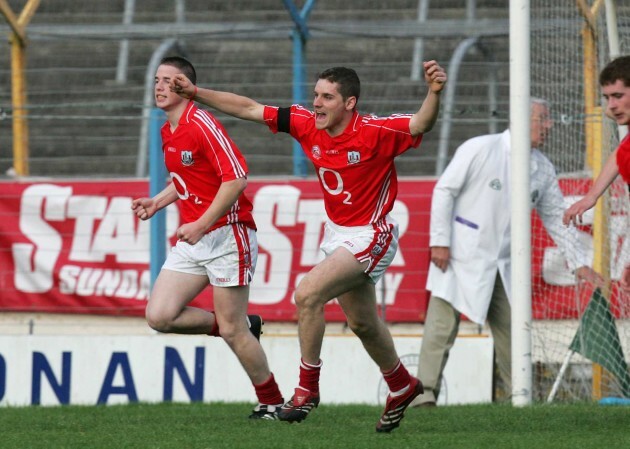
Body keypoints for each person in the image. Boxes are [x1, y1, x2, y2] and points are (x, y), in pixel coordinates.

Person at [170, 61, 447, 432]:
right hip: (337, 234)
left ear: (350, 103)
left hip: (371, 233)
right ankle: (401, 385)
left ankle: (307, 389)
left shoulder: (374, 131)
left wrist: (434, 92)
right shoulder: (304, 122)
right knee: (363, 323)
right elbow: (250, 108)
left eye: (327, 97)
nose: (316, 103)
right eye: (315, 95)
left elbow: (419, 124)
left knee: (307, 295)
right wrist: (196, 93)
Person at [411, 98, 604, 407]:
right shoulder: (480, 148)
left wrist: (579, 262)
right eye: (543, 118)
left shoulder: (542, 167)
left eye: (548, 119)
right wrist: (440, 241)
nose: (549, 125)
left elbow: (556, 217)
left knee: (515, 330)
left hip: (503, 262)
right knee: (441, 328)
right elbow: (444, 190)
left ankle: (521, 397)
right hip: (460, 255)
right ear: (521, 118)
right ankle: (422, 397)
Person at [131, 56, 284, 419]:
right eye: (157, 79)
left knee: (232, 330)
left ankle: (273, 402)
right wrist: (158, 201)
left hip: (228, 235)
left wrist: (200, 225)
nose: (160, 86)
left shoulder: (202, 122)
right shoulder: (168, 130)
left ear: (186, 86)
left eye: (170, 80)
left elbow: (236, 178)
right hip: (198, 238)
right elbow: (188, 180)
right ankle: (244, 326)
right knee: (160, 316)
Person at [563, 55, 630, 295]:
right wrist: (591, 196)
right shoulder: (625, 145)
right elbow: (619, 154)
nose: (611, 105)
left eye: (618, 96)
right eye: (607, 97)